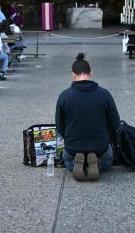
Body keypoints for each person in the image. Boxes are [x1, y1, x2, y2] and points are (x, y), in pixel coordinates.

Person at [55, 53, 120, 181]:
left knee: (68, 163)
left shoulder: (64, 96)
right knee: (108, 161)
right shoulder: (104, 94)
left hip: (72, 147)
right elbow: (115, 124)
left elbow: (59, 127)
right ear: (91, 72)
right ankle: (98, 162)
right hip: (100, 147)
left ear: (73, 74)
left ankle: (75, 163)